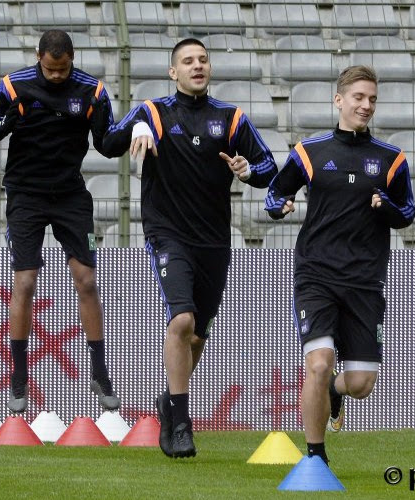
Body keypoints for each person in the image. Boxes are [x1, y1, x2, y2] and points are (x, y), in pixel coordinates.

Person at [103, 38, 278, 458]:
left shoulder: (230, 118)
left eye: (202, 60)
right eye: (187, 61)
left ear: (209, 68)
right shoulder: (154, 111)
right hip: (168, 235)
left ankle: (169, 401)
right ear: (173, 72)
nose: (197, 66)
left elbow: (270, 168)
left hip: (214, 240)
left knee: (197, 334)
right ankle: (181, 422)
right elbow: (108, 143)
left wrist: (247, 169)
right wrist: (137, 126)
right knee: (181, 319)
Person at [264, 65, 415, 464]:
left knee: (362, 384)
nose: (366, 105)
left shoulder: (391, 159)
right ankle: (315, 456)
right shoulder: (309, 152)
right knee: (318, 362)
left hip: (365, 281)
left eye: (372, 100)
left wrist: (389, 207)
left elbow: (408, 212)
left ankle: (335, 389)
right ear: (339, 100)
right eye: (359, 97)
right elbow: (274, 193)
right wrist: (279, 206)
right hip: (316, 275)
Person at [0, 29, 119, 413]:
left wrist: (134, 131)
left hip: (71, 195)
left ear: (72, 60)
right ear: (39, 57)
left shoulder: (93, 91)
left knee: (86, 279)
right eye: (51, 69)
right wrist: (12, 118)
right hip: (26, 195)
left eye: (63, 69)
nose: (56, 76)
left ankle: (99, 371)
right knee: (25, 281)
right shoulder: (12, 86)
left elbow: (106, 144)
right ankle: (19, 377)